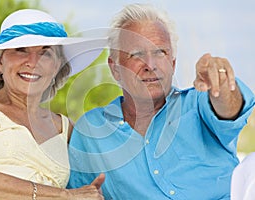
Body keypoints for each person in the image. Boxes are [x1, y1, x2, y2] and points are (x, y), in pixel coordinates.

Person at [67, 3, 255, 200]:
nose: (151, 65)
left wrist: (221, 84)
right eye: (137, 54)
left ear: (173, 64)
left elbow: (230, 108)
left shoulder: (199, 104)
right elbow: (79, 194)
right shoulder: (91, 130)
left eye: (160, 52)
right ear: (115, 69)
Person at [0, 8, 106, 199]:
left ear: (56, 67)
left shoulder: (66, 128)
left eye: (46, 53)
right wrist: (64, 195)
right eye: (20, 50)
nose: (33, 62)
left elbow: (89, 183)